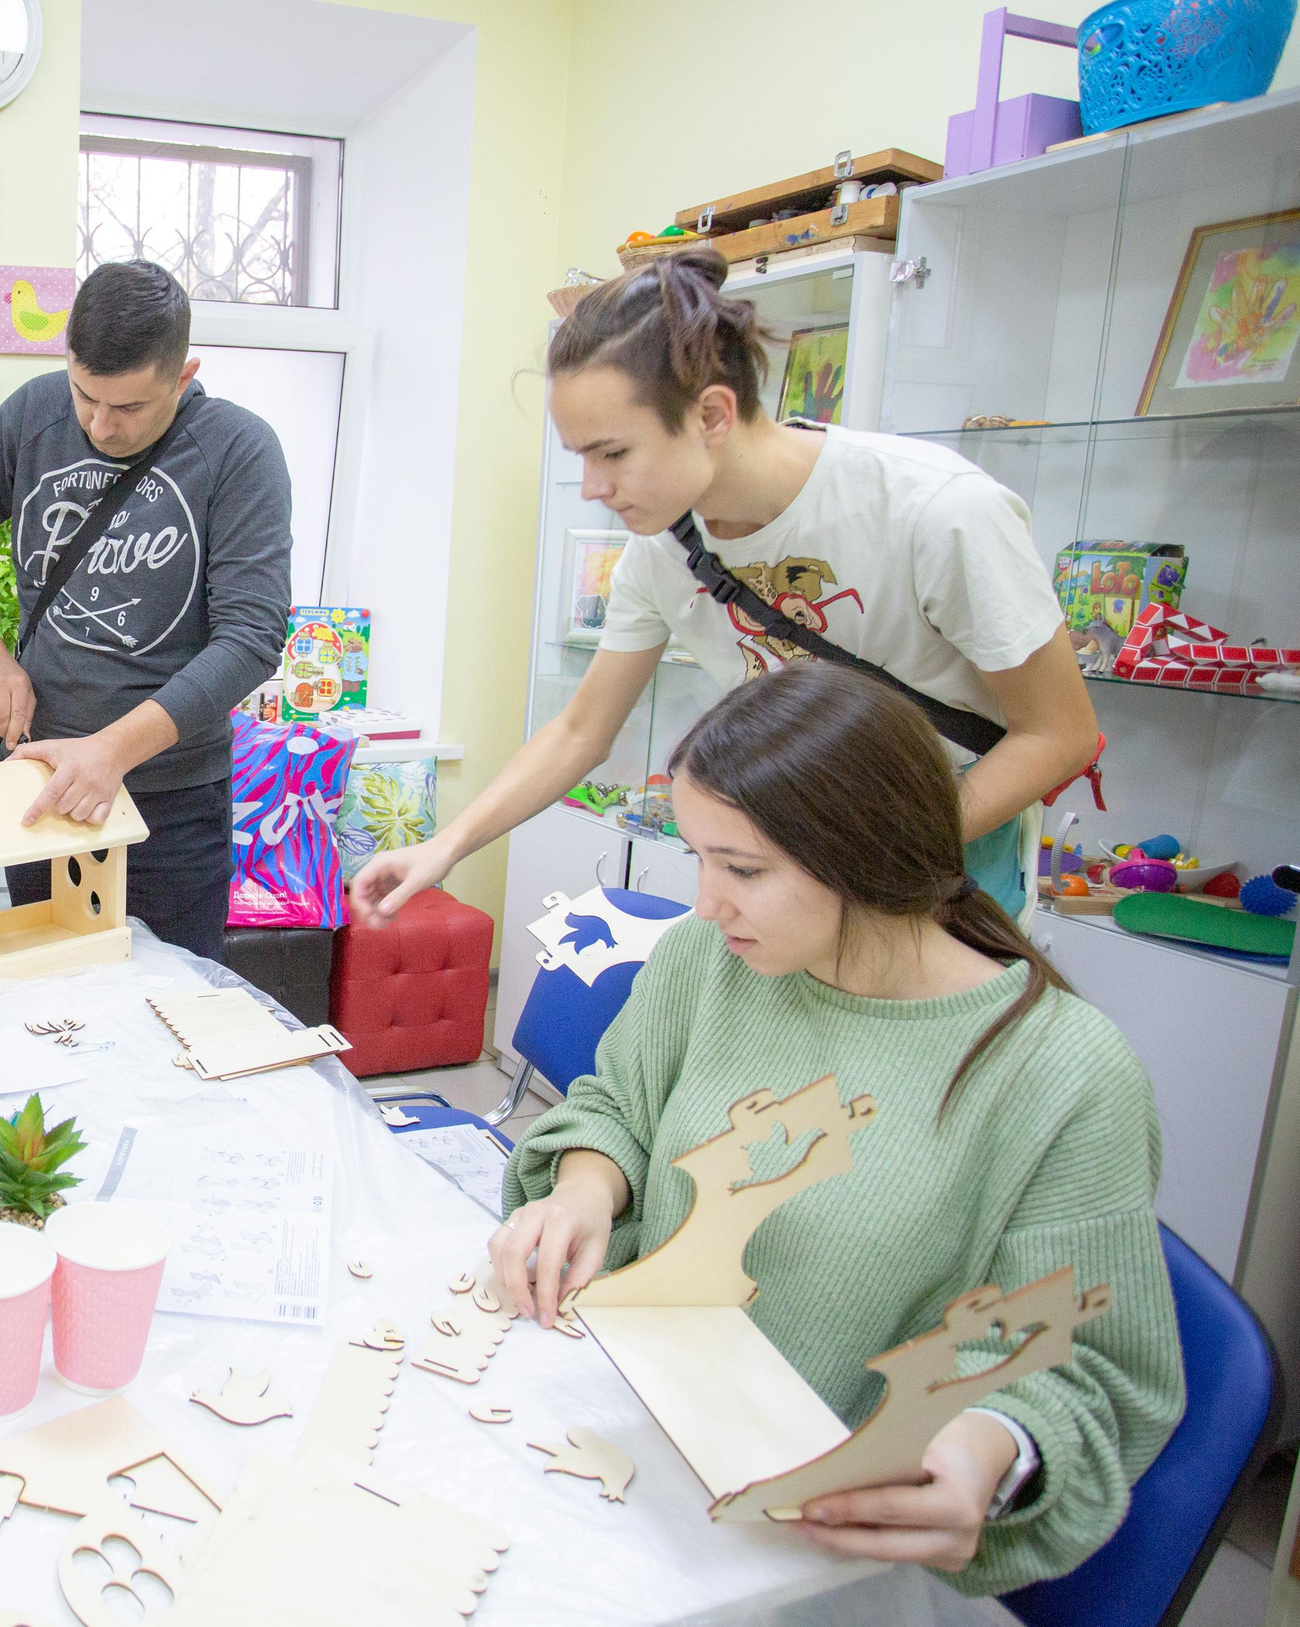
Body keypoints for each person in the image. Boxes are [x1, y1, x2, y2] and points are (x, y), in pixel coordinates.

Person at [494, 662, 1181, 1594]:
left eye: (741, 869)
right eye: (697, 857)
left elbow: (1088, 1365)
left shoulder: (1065, 1073)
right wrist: (584, 1187)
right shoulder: (712, 957)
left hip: (818, 1549)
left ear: (868, 852)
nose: (705, 901)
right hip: (640, 1440)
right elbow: (618, 1105)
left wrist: (987, 1446)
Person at [351, 246, 1099, 928]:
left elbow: (1060, 733)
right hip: (793, 865)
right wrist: (445, 846)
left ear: (712, 412)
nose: (592, 487)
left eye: (612, 452)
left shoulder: (936, 512)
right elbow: (581, 731)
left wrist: (881, 850)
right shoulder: (662, 551)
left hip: (939, 868)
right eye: (581, 456)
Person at [0, 260, 291, 960]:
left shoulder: (240, 450)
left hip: (171, 808)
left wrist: (112, 752)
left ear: (184, 374)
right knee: (49, 1005)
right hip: (42, 786)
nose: (101, 426)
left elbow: (252, 638)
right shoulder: (35, 414)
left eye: (130, 408)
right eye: (85, 395)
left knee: (165, 1019)